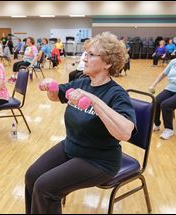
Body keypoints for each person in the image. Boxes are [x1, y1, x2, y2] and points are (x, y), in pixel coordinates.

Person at [25, 32, 137, 214]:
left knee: (46, 188)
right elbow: (56, 95)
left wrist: (93, 100)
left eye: (91, 55)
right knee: (32, 176)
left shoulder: (117, 94)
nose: (84, 58)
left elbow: (125, 133)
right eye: (86, 53)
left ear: (108, 63)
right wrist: (50, 86)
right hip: (72, 147)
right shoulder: (83, 82)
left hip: (99, 161)